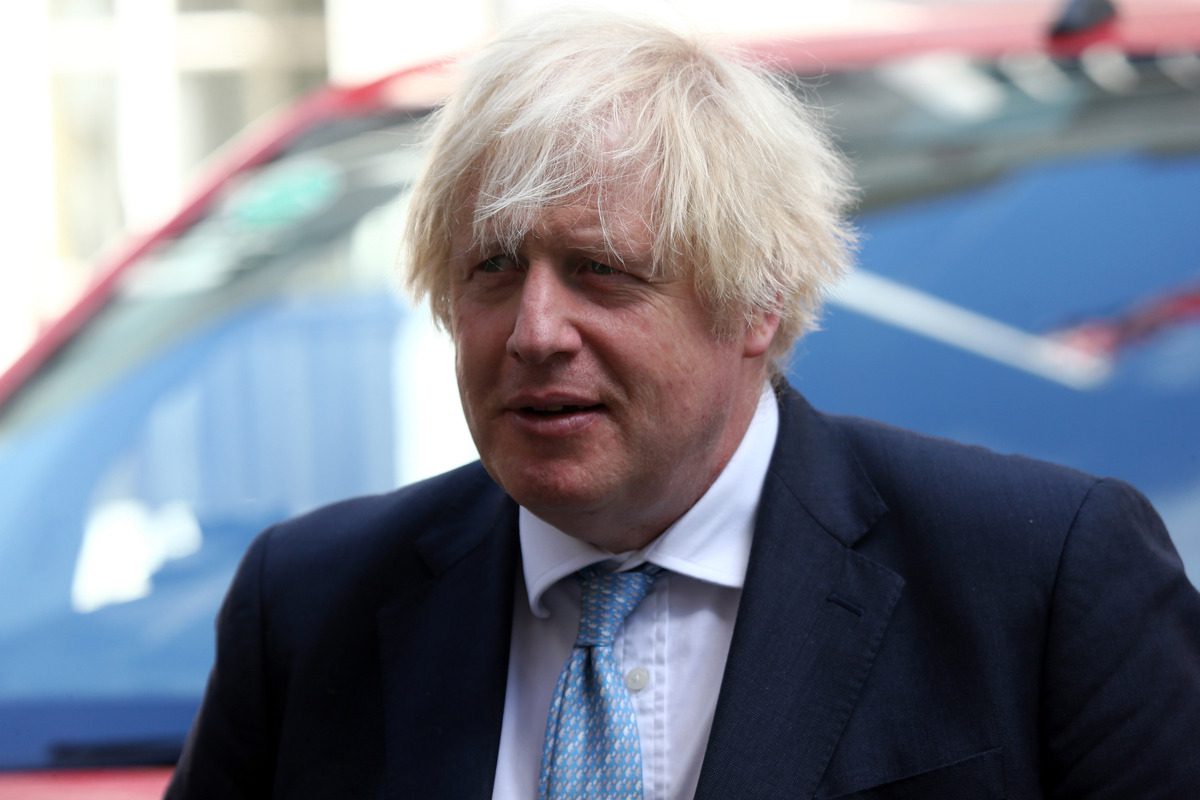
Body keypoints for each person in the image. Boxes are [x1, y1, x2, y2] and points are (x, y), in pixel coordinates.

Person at [166, 12, 1200, 800]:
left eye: (601, 269)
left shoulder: (1041, 579)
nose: (534, 331)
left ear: (757, 301)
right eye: (489, 267)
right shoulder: (311, 607)